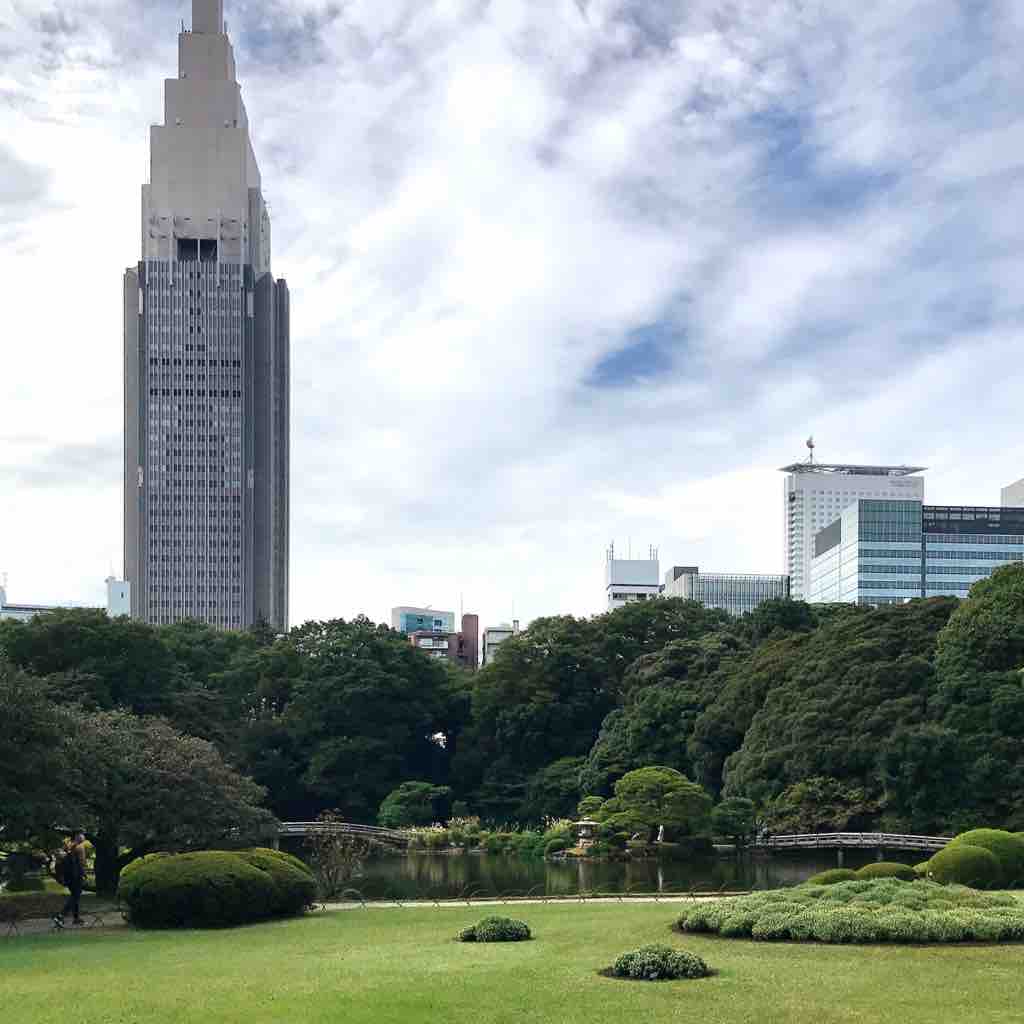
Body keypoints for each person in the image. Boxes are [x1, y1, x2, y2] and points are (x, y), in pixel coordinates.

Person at [52, 833, 87, 929]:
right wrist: (83, 874)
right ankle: (60, 916)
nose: (83, 838)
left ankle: (76, 918)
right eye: (82, 836)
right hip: (75, 876)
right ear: (78, 838)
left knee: (75, 896)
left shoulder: (69, 846)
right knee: (75, 896)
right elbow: (80, 863)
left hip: (69, 877)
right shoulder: (77, 847)